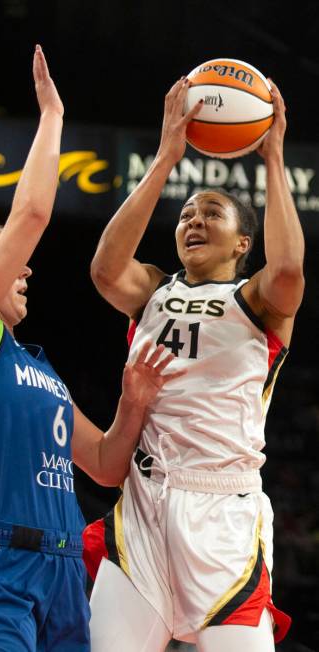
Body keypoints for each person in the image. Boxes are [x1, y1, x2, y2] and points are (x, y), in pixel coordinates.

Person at [0, 46, 182, 652]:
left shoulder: (39, 369)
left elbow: (103, 464)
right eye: (9, 262)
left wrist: (133, 405)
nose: (24, 273)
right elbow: (32, 213)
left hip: (62, 570)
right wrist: (52, 116)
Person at [84, 75, 305, 652]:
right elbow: (106, 270)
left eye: (211, 212)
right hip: (145, 503)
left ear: (242, 244)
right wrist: (166, 158)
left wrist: (274, 159)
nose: (193, 221)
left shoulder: (257, 302)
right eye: (185, 214)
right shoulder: (151, 289)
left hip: (222, 510)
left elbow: (288, 272)